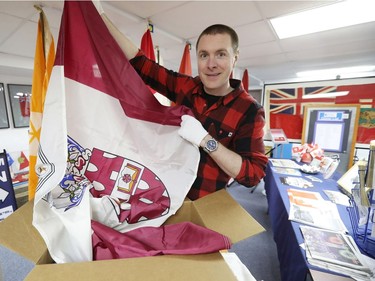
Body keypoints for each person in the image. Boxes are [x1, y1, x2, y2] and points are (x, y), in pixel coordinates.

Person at [99, 10, 268, 200]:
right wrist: (100, 15)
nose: (211, 64)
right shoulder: (186, 87)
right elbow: (142, 65)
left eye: (220, 54)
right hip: (164, 194)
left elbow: (253, 174)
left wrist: (206, 140)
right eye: (204, 55)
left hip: (203, 203)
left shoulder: (249, 110)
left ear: (234, 58)